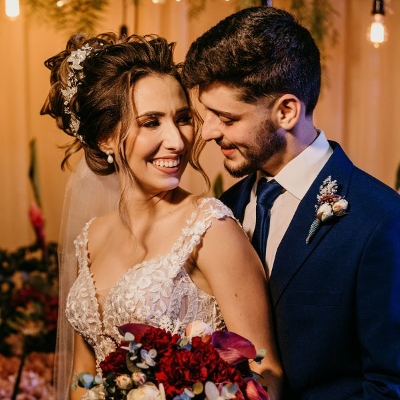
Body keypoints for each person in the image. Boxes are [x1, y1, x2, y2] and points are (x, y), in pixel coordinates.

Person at [40, 32, 282, 400]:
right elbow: (82, 376)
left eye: (182, 119)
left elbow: (266, 373)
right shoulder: (89, 238)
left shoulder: (210, 228)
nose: (178, 141)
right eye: (151, 122)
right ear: (105, 137)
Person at [182, 6, 400, 400]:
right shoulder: (222, 209)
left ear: (286, 111)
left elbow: (388, 386)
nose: (209, 132)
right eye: (207, 115)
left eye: (227, 118)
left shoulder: (379, 219)